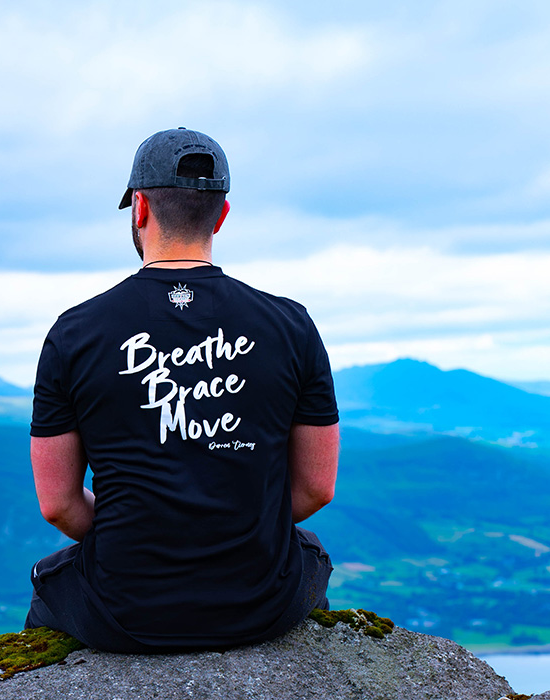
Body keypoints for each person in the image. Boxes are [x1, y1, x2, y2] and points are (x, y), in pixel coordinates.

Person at [25, 127, 340, 653]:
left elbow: (58, 505)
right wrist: (239, 528)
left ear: (140, 208)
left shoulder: (74, 332)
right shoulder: (292, 325)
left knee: (51, 581)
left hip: (122, 607)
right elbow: (315, 489)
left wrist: (141, 530)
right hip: (261, 603)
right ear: (221, 215)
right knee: (306, 552)